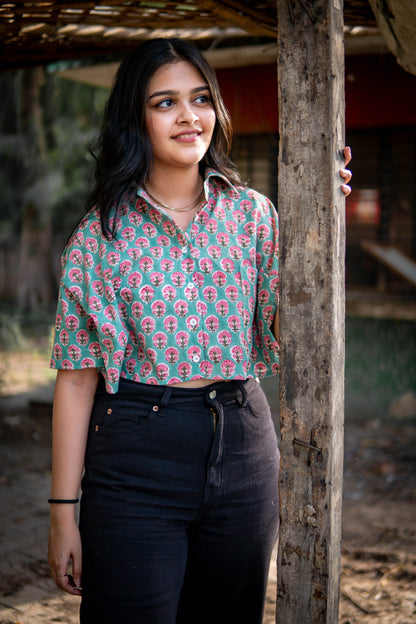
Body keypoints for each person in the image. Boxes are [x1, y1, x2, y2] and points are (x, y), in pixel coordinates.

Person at [48, 38, 352, 624]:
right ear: (135, 120)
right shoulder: (99, 239)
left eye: (201, 98)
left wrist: (321, 222)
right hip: (136, 458)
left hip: (244, 444)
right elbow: (78, 378)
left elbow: (290, 329)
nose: (190, 116)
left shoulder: (255, 215)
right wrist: (63, 511)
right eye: (166, 102)